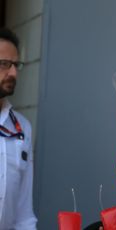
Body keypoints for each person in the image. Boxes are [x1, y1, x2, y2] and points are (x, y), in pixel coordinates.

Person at [0, 28, 37, 229]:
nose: (13, 72)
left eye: (16, 65)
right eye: (5, 64)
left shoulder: (22, 128)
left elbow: (24, 213)